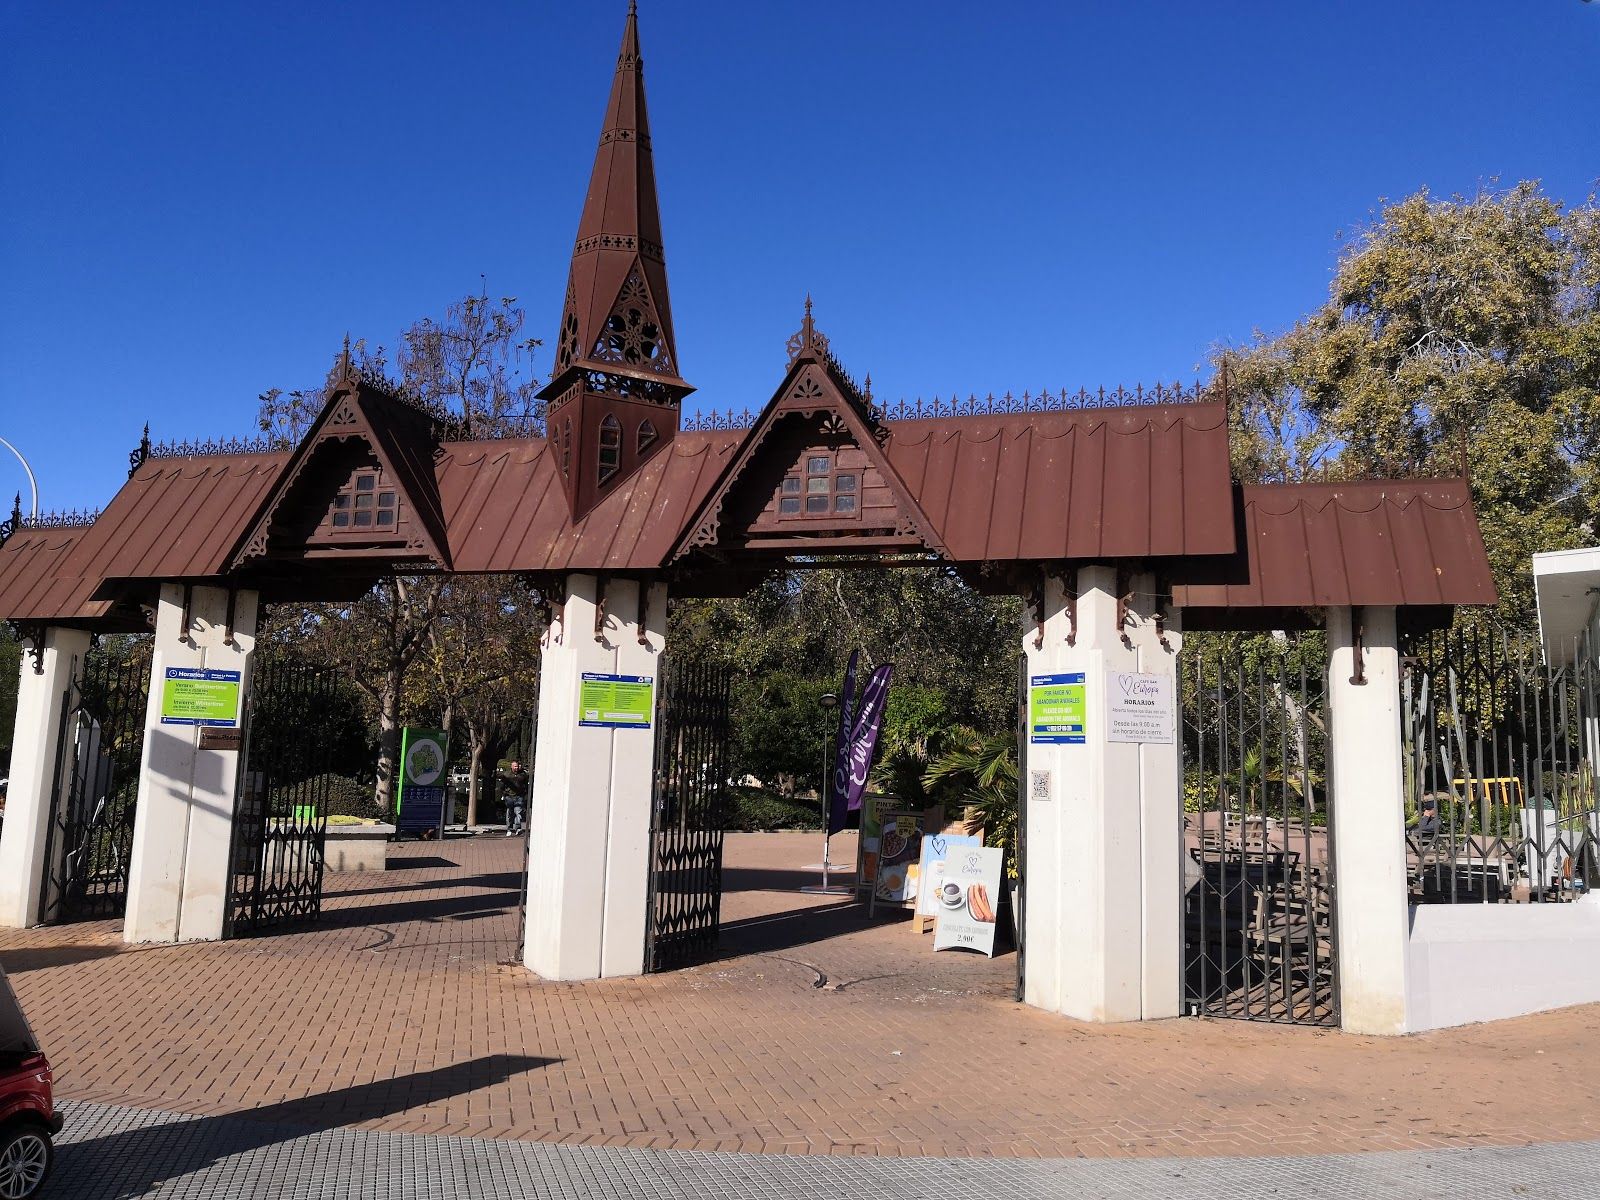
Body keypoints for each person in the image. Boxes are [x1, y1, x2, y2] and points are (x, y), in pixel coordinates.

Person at [499, 760, 529, 837]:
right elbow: (502, 785)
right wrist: (503, 794)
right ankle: (509, 828)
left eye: (517, 766)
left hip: (519, 796)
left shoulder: (523, 774)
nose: (516, 768)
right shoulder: (507, 774)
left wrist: (525, 794)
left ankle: (518, 828)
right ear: (511, 766)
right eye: (515, 766)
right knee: (510, 812)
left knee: (518, 812)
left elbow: (526, 785)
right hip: (509, 796)